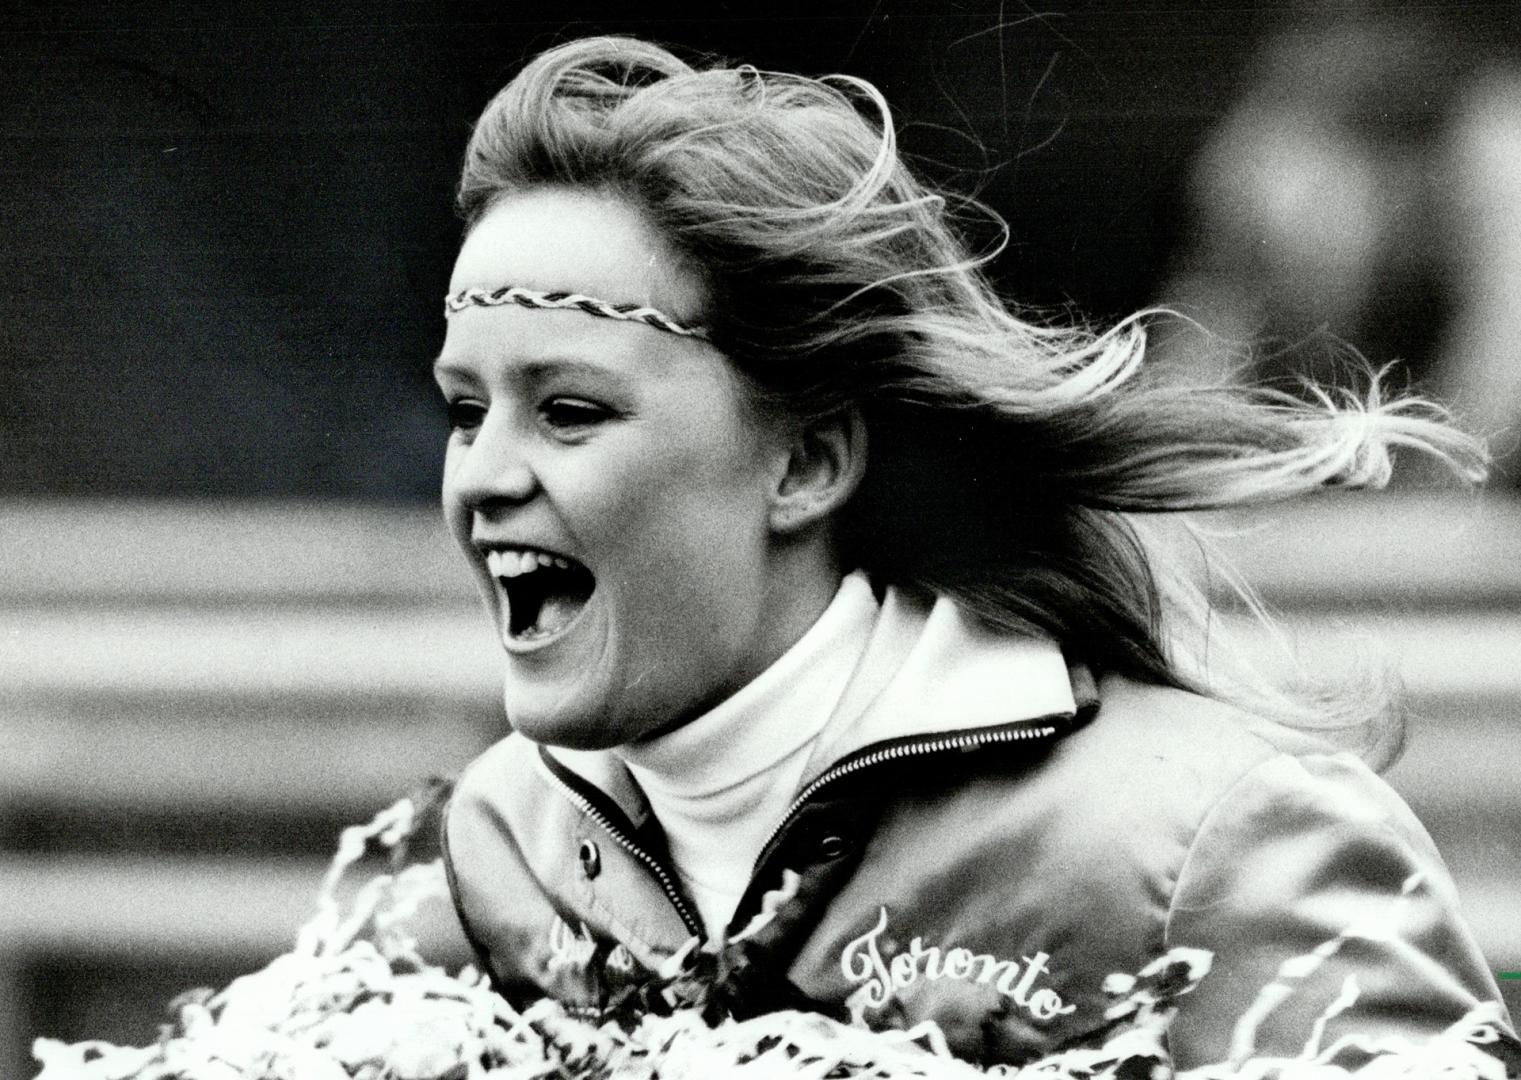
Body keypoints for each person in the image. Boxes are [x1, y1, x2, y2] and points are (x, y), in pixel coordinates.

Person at [434, 36, 1514, 1070]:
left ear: (807, 463)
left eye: (568, 411)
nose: (482, 476)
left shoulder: (1211, 838)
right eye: (465, 411)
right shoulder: (504, 836)